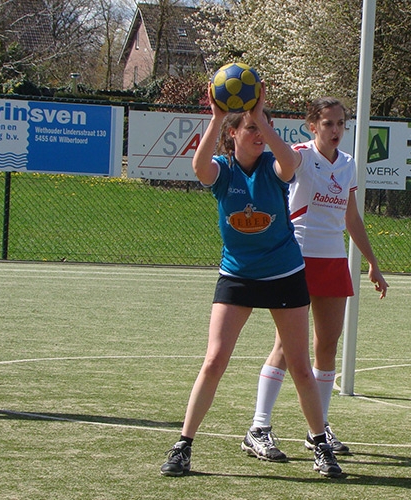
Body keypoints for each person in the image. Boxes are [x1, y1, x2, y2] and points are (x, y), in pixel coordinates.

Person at [159, 83, 343, 478]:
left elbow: (289, 166)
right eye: (251, 129)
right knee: (214, 360)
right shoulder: (223, 172)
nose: (259, 134)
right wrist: (214, 117)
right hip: (238, 276)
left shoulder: (275, 167)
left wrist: (260, 116)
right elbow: (199, 168)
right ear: (233, 134)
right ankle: (183, 445)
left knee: (299, 364)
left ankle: (320, 445)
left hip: (284, 274)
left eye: (264, 127)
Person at [242, 97, 388, 462]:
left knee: (327, 344)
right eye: (328, 123)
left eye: (341, 123)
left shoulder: (349, 164)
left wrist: (372, 261)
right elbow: (281, 169)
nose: (336, 130)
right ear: (312, 126)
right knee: (286, 347)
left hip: (333, 259)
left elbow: (351, 216)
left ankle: (317, 430)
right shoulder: (301, 156)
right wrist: (258, 118)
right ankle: (259, 427)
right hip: (297, 258)